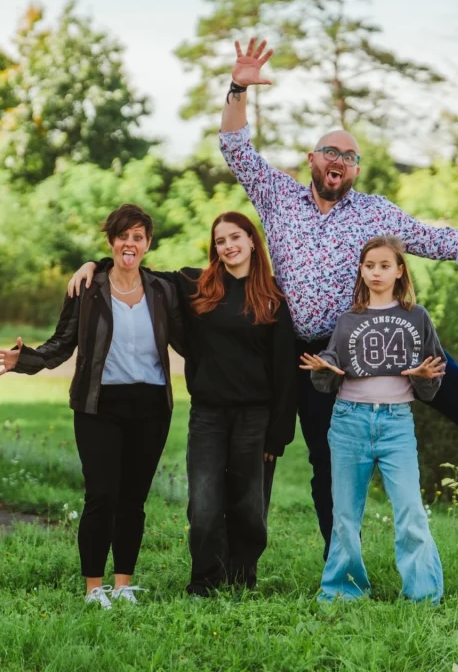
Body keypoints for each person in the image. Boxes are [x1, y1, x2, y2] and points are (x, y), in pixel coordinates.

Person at [220, 37, 458, 559]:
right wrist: (238, 87)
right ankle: (341, 562)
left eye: (350, 156)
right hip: (314, 352)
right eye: (331, 152)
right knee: (326, 461)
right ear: (312, 159)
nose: (340, 160)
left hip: (377, 330)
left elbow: (438, 240)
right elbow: (235, 147)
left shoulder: (375, 212)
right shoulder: (279, 198)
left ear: (356, 171)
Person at [68, 211, 297, 596]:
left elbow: (285, 370)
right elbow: (134, 267)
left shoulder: (273, 296)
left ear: (252, 241)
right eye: (220, 240)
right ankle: (205, 581)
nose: (229, 246)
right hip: (208, 414)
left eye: (236, 237)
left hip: (255, 417)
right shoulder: (196, 284)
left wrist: (279, 434)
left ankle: (241, 580)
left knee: (249, 505)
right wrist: (95, 264)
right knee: (204, 504)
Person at [0, 204, 184, 609]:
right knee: (101, 496)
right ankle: (94, 588)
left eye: (138, 237)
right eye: (123, 236)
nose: (130, 244)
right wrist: (25, 359)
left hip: (151, 405)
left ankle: (123, 584)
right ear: (111, 241)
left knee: (133, 499)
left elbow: (193, 328)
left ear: (148, 244)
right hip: (99, 405)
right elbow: (62, 342)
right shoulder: (88, 288)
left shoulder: (162, 289)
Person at [302, 236, 446, 603]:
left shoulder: (417, 316)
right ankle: (343, 590)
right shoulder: (349, 320)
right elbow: (331, 369)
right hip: (349, 421)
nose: (376, 272)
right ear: (361, 271)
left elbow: (434, 373)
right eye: (369, 266)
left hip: (396, 423)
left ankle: (423, 593)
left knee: (410, 509)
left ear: (399, 270)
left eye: (384, 265)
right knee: (345, 514)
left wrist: (423, 377)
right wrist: (324, 369)